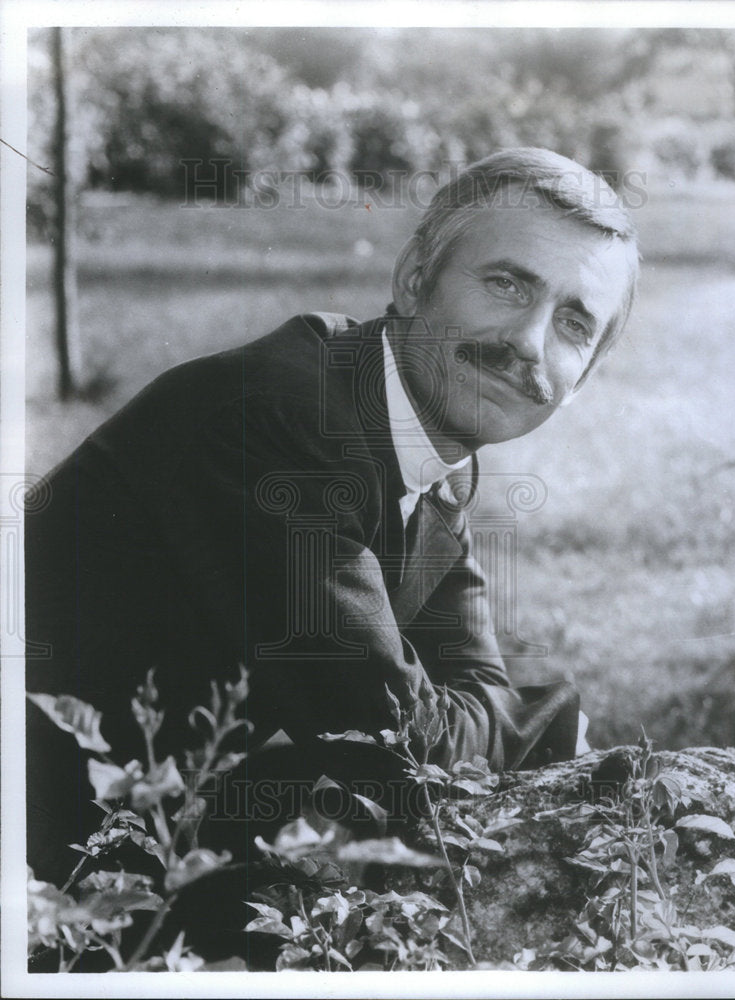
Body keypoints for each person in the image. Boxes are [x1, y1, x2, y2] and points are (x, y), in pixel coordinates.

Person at [26, 147, 639, 887]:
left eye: (573, 325)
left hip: (131, 819)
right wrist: (555, 716)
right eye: (508, 284)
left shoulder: (428, 452)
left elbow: (462, 692)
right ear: (415, 280)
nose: (526, 342)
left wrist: (478, 720)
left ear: (580, 382)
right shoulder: (282, 421)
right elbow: (399, 749)